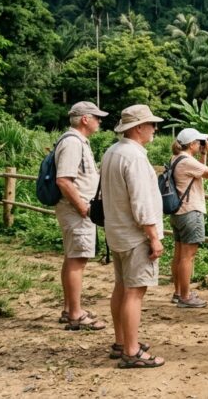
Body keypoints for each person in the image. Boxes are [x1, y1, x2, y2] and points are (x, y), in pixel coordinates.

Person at [100, 104, 166, 368]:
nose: (154, 129)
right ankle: (131, 351)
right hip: (135, 234)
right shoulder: (135, 157)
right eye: (151, 124)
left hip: (116, 231)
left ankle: (122, 341)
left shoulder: (112, 152)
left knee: (122, 287)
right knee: (135, 293)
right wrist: (153, 237)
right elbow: (141, 202)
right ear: (138, 128)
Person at [55, 101, 109, 331]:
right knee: (78, 260)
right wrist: (83, 207)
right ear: (85, 119)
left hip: (76, 210)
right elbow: (64, 180)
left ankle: (70, 308)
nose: (99, 121)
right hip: (77, 210)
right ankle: (76, 313)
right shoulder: (72, 143)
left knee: (72, 258)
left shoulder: (76, 142)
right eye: (96, 117)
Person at [168, 128, 208, 308]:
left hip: (178, 213)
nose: (201, 145)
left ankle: (178, 292)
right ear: (192, 144)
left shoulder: (177, 159)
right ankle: (185, 296)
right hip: (191, 212)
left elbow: (199, 172)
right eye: (199, 142)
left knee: (179, 255)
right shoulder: (187, 162)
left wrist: (204, 154)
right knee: (187, 257)